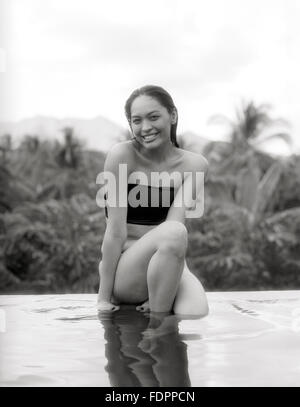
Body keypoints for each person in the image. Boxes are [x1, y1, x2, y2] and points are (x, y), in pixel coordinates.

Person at [97, 85, 209, 316]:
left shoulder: (195, 165)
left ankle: (160, 306)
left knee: (195, 313)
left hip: (168, 263)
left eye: (154, 117)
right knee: (175, 232)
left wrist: (165, 285)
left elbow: (174, 224)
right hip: (126, 268)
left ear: (173, 115)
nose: (145, 127)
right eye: (136, 120)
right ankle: (157, 326)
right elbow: (115, 233)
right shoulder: (122, 155)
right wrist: (103, 298)